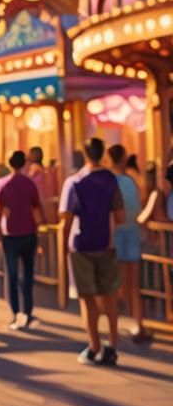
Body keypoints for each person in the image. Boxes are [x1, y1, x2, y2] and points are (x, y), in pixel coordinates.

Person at [60, 137, 124, 366]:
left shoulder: (74, 181)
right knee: (110, 297)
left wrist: (62, 251)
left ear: (85, 154)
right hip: (106, 244)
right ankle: (112, 345)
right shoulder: (110, 180)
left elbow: (65, 220)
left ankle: (94, 345)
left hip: (81, 245)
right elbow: (120, 216)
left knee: (87, 298)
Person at [0, 150, 42, 330]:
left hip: (10, 234)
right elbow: (37, 208)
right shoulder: (29, 183)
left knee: (11, 274)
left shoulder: (2, 184)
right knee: (28, 274)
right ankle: (27, 311)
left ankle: (16, 312)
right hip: (29, 232)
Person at [107, 144, 150, 344]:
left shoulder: (109, 182)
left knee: (116, 283)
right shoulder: (130, 182)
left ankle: (114, 326)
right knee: (133, 284)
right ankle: (138, 323)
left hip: (115, 234)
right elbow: (137, 208)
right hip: (131, 232)